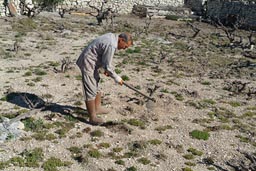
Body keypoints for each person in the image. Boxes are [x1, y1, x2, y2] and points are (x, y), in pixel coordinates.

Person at [76, 33, 133, 125]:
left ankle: (97, 108)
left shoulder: (112, 38)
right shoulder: (111, 44)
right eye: (125, 46)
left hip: (94, 62)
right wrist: (117, 78)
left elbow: (104, 57)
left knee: (96, 83)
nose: (124, 49)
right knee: (90, 88)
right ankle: (92, 117)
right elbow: (108, 66)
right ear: (121, 40)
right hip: (88, 62)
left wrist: (104, 68)